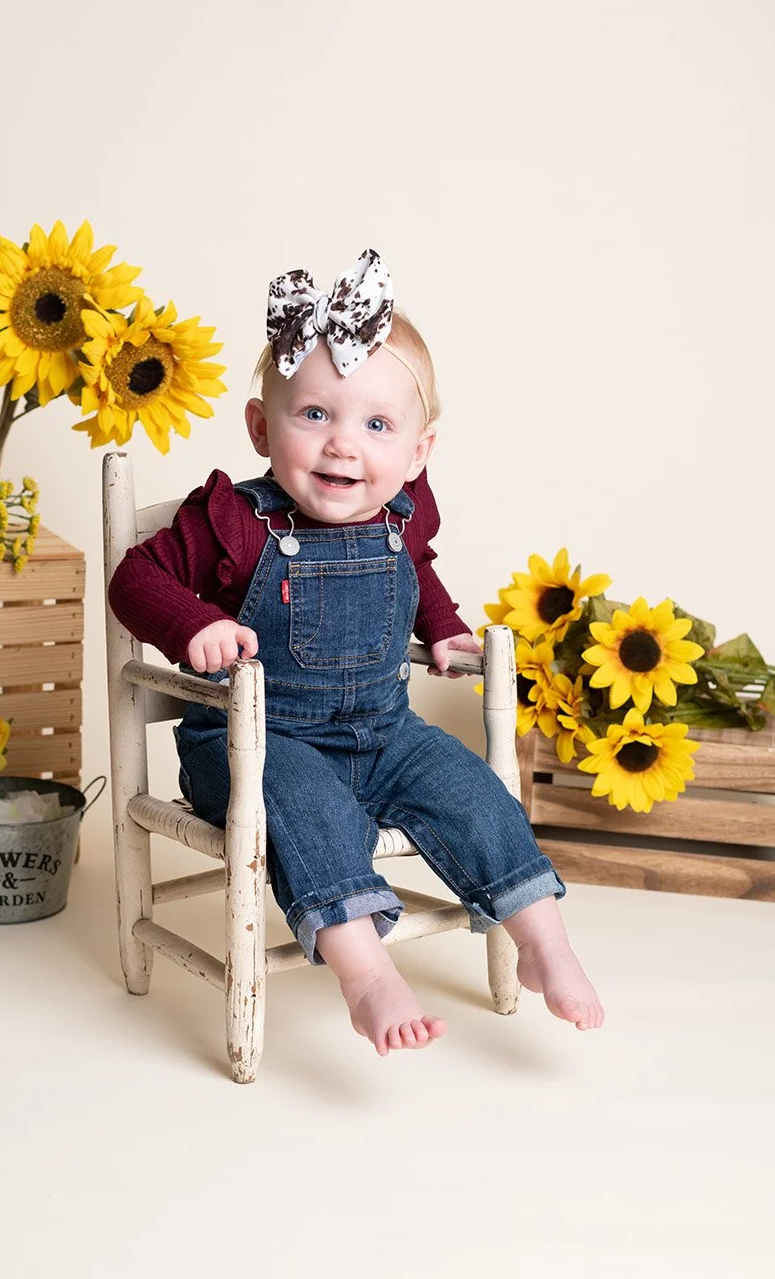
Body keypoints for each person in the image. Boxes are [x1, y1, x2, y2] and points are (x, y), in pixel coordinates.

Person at [109, 248, 604, 1056]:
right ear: (261, 426)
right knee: (307, 808)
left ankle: (543, 944)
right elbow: (136, 577)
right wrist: (190, 622)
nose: (343, 445)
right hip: (257, 746)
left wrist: (441, 630)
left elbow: (415, 573)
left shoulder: (403, 515)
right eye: (314, 416)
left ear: (416, 452)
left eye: (376, 426)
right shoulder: (234, 520)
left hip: (385, 734)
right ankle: (365, 972)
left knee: (472, 793)